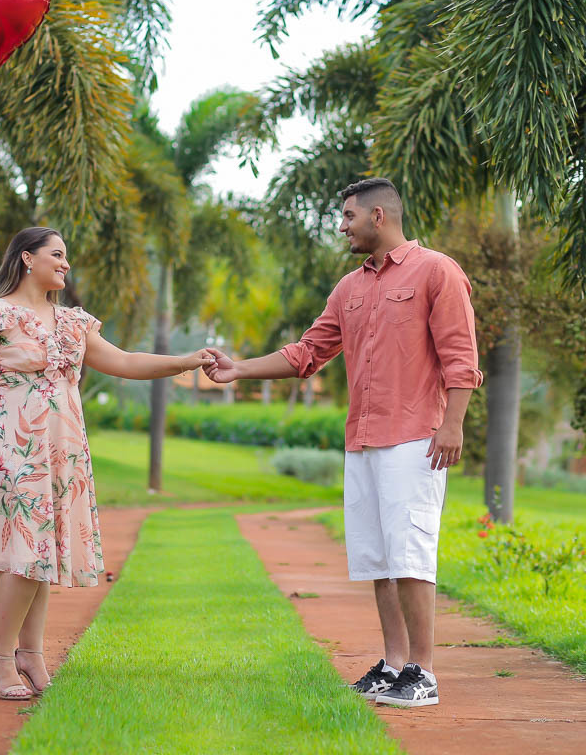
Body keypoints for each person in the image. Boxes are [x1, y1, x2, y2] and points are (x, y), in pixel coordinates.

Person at [203, 178, 482, 708]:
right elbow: (307, 352)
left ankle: (423, 672)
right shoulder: (349, 288)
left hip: (415, 438)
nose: (342, 226)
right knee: (378, 560)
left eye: (349, 216)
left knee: (411, 555)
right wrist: (239, 369)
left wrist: (454, 424)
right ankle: (393, 665)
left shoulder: (437, 271)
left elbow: (460, 355)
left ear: (379, 216)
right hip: (363, 439)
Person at [0, 226, 213, 701]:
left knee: (42, 551)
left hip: (62, 448)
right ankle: (2, 658)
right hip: (13, 443)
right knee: (22, 550)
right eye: (57, 254)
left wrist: (186, 362)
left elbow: (126, 362)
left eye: (66, 256)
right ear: (27, 258)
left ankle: (31, 654)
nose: (65, 264)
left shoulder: (73, 323)